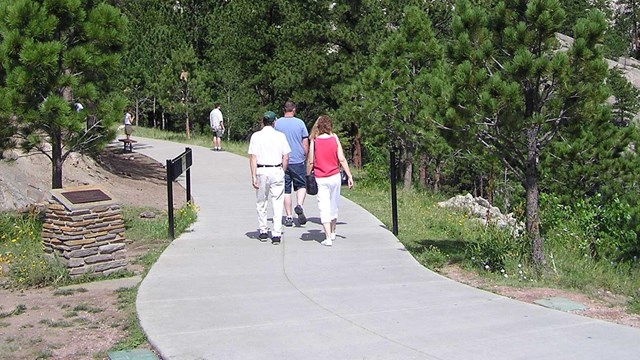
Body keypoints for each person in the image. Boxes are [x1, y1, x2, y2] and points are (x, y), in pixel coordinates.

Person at [306, 115, 353, 246]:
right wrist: (349, 175)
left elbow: (310, 161)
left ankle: (327, 237)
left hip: (321, 178)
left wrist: (308, 175)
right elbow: (342, 159)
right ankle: (333, 231)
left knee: (324, 206)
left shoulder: (315, 141)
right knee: (334, 203)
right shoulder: (335, 138)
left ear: (318, 127)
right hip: (335, 176)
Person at [248, 111, 291, 245]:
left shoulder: (256, 136)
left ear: (263, 122)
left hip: (261, 170)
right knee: (277, 202)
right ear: (274, 122)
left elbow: (253, 157)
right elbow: (286, 156)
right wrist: (282, 171)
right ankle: (276, 232)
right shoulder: (280, 136)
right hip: (276, 169)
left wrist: (253, 175)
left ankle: (263, 230)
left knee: (261, 201)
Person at [275, 101, 309, 227]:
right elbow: (305, 142)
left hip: (282, 160)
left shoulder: (277, 124)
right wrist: (306, 155)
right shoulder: (300, 123)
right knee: (301, 185)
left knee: (286, 189)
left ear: (284, 110)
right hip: (298, 159)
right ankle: (299, 205)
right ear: (293, 109)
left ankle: (289, 216)